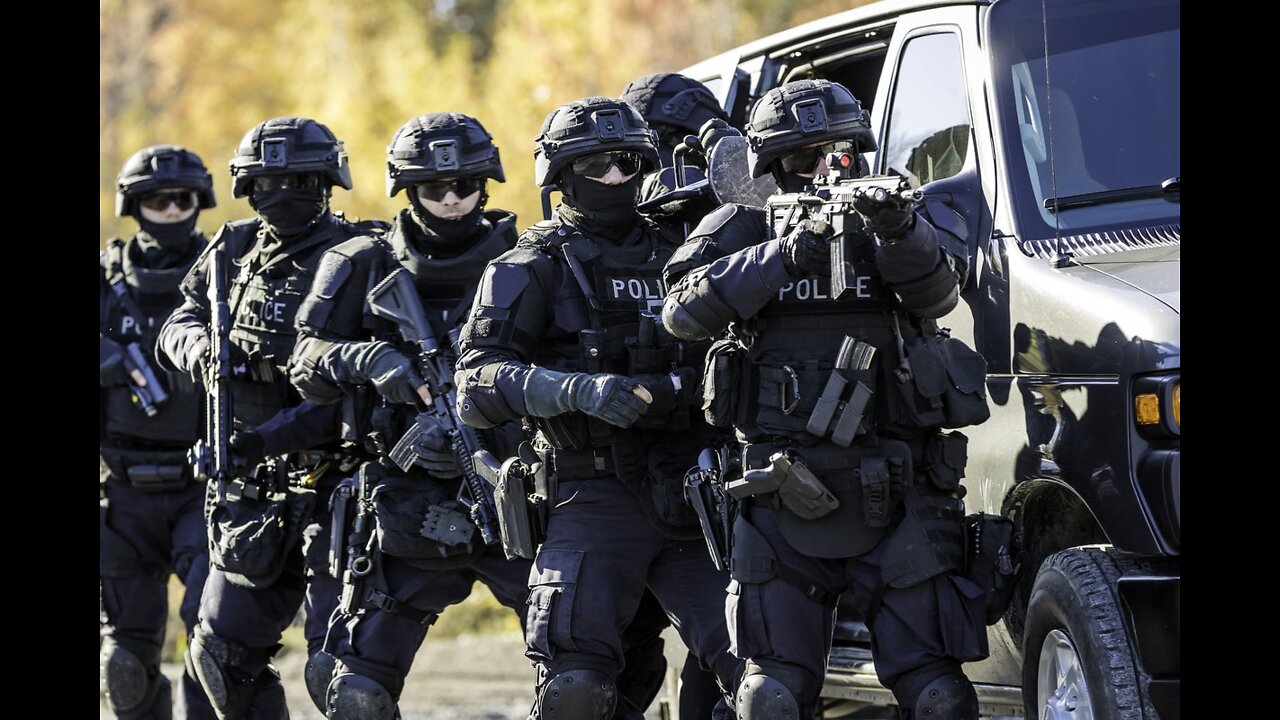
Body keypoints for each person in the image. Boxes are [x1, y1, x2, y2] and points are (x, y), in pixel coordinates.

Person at [660, 79, 987, 720]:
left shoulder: (900, 217)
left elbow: (940, 295)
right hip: (784, 495)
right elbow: (679, 314)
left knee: (938, 695)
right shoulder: (743, 228)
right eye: (804, 159)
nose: (825, 169)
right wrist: (777, 257)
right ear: (772, 168)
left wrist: (897, 231)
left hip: (899, 487)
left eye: (839, 151)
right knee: (772, 695)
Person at [454, 96, 742, 719]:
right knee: (575, 692)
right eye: (599, 167)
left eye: (630, 163)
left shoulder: (687, 251)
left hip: (689, 491)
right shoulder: (531, 265)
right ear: (559, 178)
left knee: (762, 679)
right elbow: (474, 388)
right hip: (591, 495)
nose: (618, 179)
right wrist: (576, 390)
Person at [287, 111, 532, 718]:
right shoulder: (358, 263)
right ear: (406, 189)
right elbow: (304, 362)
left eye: (466, 186)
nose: (452, 200)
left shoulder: (530, 259)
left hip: (518, 494)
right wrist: (370, 358)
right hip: (403, 506)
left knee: (587, 679)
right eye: (433, 189)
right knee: (356, 694)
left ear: (488, 183)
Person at [157, 116, 383, 719]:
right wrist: (203, 349)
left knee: (344, 675)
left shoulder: (364, 254)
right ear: (246, 188)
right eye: (266, 184)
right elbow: (176, 323)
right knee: (220, 658)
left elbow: (369, 381)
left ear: (328, 182)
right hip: (254, 495)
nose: (282, 195)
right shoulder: (232, 250)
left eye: (301, 181)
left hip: (343, 487)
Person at [619, 72, 740, 720]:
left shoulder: (734, 224)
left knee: (725, 656)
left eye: (690, 146)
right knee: (608, 668)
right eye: (664, 146)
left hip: (711, 478)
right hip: (623, 481)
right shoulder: (605, 239)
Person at [100, 145, 219, 720]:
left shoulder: (226, 274)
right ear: (134, 205)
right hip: (123, 492)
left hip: (207, 482)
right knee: (124, 662)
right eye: (156, 200)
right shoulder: (105, 281)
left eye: (183, 199)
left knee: (213, 645)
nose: (171, 211)